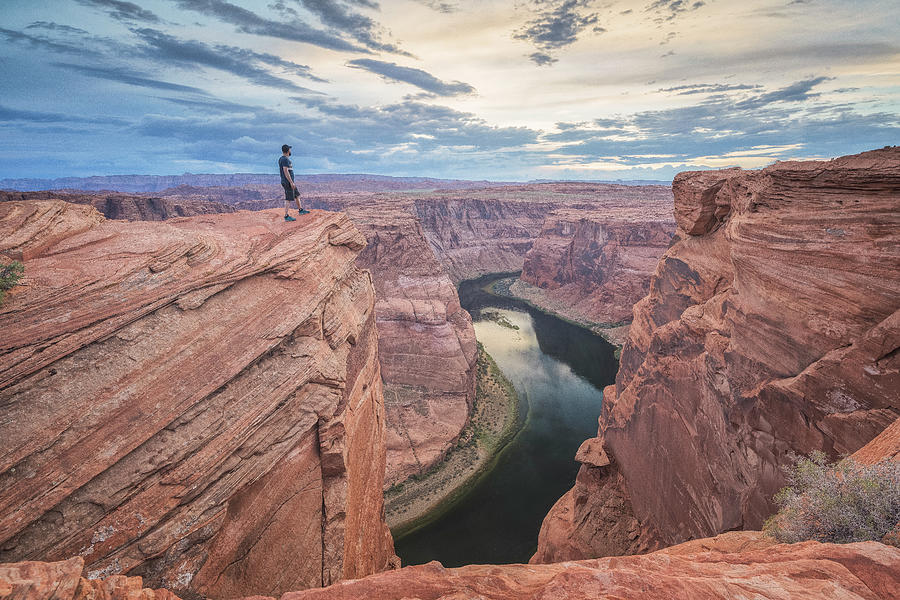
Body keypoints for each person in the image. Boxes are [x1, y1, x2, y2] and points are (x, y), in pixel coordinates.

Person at [278, 144, 310, 221]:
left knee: (297, 195)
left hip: (289, 182)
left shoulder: (282, 159)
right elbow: (286, 171)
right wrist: (291, 182)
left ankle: (301, 210)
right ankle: (286, 216)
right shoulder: (285, 159)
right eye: (289, 149)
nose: (290, 151)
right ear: (287, 150)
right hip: (288, 182)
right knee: (288, 199)